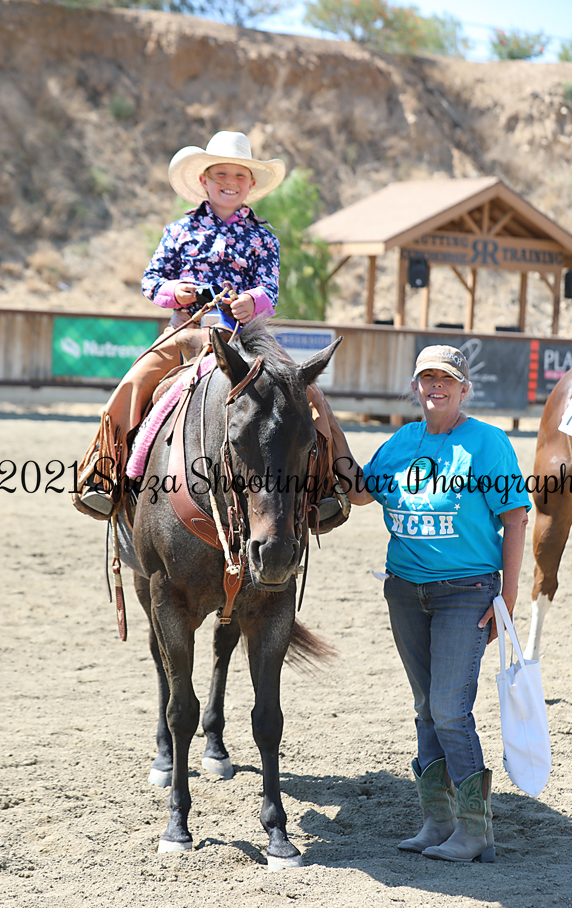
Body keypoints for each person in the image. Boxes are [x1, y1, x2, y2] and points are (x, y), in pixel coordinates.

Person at [328, 345, 531, 863]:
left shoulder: (487, 443)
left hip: (467, 593)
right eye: (427, 378)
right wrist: (329, 426)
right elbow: (361, 493)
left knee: (448, 709)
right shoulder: (402, 441)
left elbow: (515, 519)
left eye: (446, 379)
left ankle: (475, 830)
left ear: (464, 389)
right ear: (415, 387)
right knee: (426, 708)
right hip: (405, 591)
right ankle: (437, 821)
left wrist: (507, 596)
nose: (436, 386)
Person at [76, 131, 285, 518]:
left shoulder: (264, 238)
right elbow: (151, 281)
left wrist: (252, 301)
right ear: (204, 180)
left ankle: (328, 482)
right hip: (185, 331)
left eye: (239, 175)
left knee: (305, 392)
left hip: (245, 337)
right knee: (134, 383)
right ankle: (103, 473)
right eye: (220, 174)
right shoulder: (179, 231)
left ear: (251, 184)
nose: (229, 182)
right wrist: (175, 291)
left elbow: (270, 288)